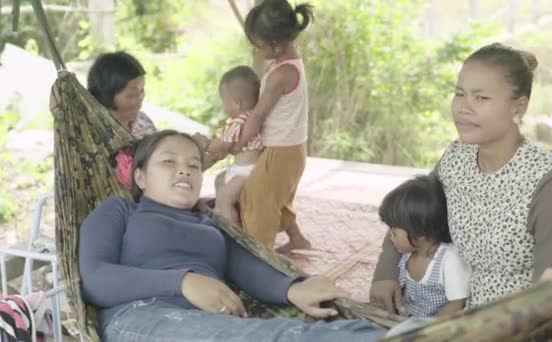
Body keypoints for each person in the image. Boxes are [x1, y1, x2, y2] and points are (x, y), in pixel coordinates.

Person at [79, 130, 386, 342]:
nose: (184, 170)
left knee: (294, 331)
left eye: (193, 165)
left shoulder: (210, 226)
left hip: (212, 325)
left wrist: (292, 289)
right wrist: (183, 282)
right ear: (141, 177)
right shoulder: (121, 211)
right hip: (140, 317)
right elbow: (95, 279)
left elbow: (249, 269)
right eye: (169, 162)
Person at [370, 43, 552, 314]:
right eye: (460, 94)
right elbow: (410, 212)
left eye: (481, 98)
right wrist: (385, 272)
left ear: (518, 108)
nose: (463, 108)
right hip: (453, 311)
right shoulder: (456, 158)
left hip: (516, 324)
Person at [231, 0, 312, 252]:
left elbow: (258, 115)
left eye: (259, 46)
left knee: (257, 199)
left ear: (276, 44)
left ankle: (260, 255)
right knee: (279, 197)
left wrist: (238, 142)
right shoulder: (285, 62)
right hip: (291, 148)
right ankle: (297, 238)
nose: (257, 50)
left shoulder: (280, 75)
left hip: (282, 150)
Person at [378, 175, 470, 318]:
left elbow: (457, 304)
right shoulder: (407, 254)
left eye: (394, 232)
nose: (390, 237)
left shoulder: (449, 260)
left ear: (418, 233)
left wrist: (428, 330)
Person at [195, 66, 264, 224]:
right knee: (220, 179)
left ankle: (230, 228)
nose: (224, 107)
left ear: (235, 102)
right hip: (242, 169)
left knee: (225, 197)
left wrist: (205, 144)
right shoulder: (254, 118)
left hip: (246, 172)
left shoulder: (239, 121)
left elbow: (222, 146)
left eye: (223, 102)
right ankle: (221, 211)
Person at [50, 51, 156, 138]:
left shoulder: (143, 125)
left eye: (142, 91)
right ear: (107, 95)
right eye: (131, 94)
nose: (140, 98)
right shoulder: (85, 132)